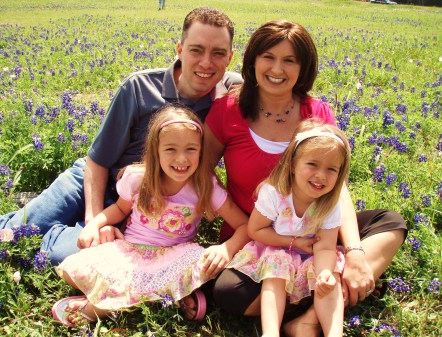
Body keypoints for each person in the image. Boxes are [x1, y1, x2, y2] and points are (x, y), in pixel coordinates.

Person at [0, 7, 242, 265]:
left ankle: (48, 229)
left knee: (64, 256)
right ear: (179, 49)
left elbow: (273, 88)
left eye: (218, 53)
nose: (206, 62)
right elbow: (98, 160)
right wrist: (95, 221)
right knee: (8, 233)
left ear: (230, 57)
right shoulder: (139, 87)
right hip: (90, 183)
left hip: (143, 210)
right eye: (196, 50)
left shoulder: (232, 95)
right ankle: (34, 215)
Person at [204, 20, 407, 337]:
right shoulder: (228, 109)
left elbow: (337, 188)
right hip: (257, 236)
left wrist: (353, 252)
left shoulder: (317, 113)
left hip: (318, 233)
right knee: (229, 292)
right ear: (253, 60)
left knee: (390, 223)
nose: (277, 69)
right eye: (268, 57)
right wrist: (233, 230)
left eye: (289, 60)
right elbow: (201, 173)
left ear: (303, 68)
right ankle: (336, 289)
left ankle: (310, 316)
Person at [52, 105, 248, 327]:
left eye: (191, 149)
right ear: (156, 150)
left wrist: (226, 248)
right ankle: (172, 295)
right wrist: (94, 224)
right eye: (171, 149)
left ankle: (98, 306)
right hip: (131, 252)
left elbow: (244, 226)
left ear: (201, 150)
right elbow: (119, 210)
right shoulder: (137, 178)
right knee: (72, 270)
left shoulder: (204, 186)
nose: (181, 159)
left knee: (199, 258)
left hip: (174, 256)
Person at [227, 119, 351, 337]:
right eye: (312, 164)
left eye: (331, 169)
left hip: (311, 255)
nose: (321, 176)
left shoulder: (330, 203)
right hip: (276, 248)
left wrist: (324, 273)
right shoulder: (274, 193)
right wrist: (293, 242)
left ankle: (335, 333)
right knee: (276, 269)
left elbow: (325, 248)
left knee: (331, 279)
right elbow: (255, 230)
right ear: (293, 164)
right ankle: (271, 332)